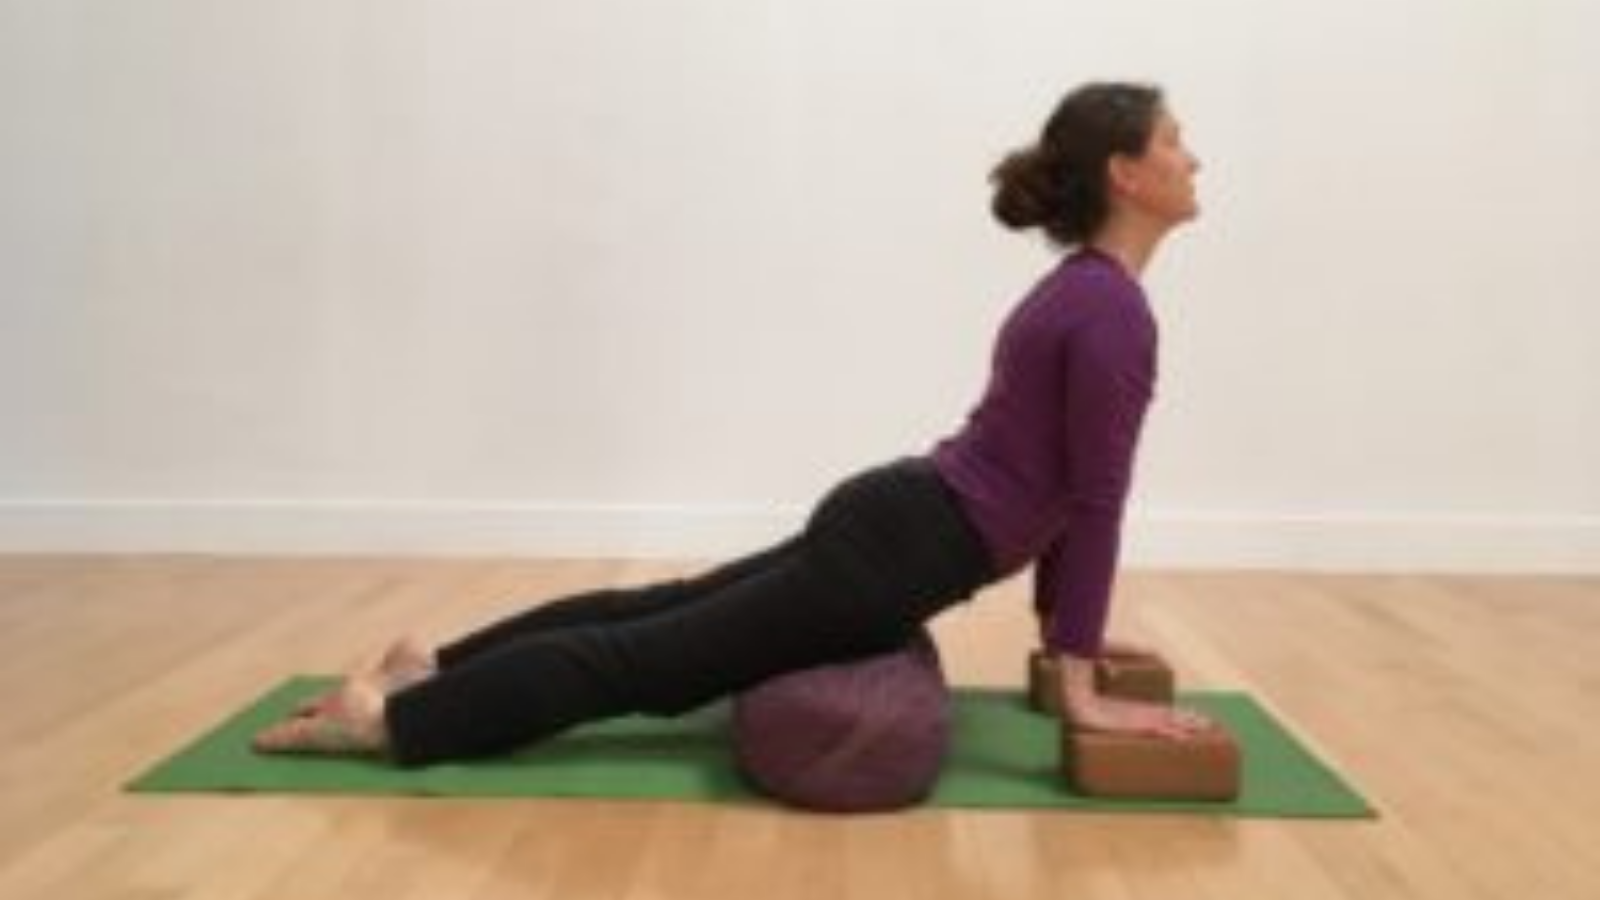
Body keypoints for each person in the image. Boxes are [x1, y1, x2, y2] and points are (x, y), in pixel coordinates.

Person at [254, 81, 1210, 764]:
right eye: (1175, 141)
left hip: (898, 516)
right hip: (901, 550)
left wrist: (1064, 632)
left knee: (655, 614)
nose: (1193, 157)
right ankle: (389, 722)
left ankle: (429, 667)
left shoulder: (1081, 294)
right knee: (647, 663)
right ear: (1125, 173)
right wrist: (1080, 683)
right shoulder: (1113, 310)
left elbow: (1058, 488)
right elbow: (1094, 500)